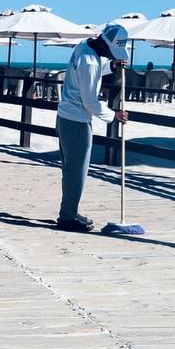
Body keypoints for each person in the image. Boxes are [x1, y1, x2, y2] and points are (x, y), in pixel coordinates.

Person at [54, 22, 130, 231]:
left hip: (65, 117)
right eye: (112, 52)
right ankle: (67, 217)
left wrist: (111, 66)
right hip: (77, 121)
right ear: (104, 44)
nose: (112, 55)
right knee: (77, 171)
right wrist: (114, 115)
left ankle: (69, 210)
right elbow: (90, 102)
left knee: (71, 169)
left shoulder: (85, 46)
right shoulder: (89, 61)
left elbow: (94, 69)